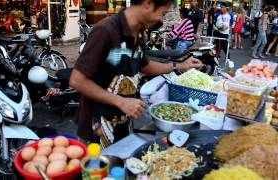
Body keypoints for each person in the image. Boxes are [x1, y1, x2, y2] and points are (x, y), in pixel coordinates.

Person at [69, 0, 203, 147]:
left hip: (123, 120)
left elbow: (144, 66)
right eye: (162, 13)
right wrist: (121, 101)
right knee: (99, 169)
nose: (161, 19)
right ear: (148, 3)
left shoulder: (139, 33)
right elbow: (77, 81)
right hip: (97, 126)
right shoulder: (106, 31)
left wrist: (179, 66)